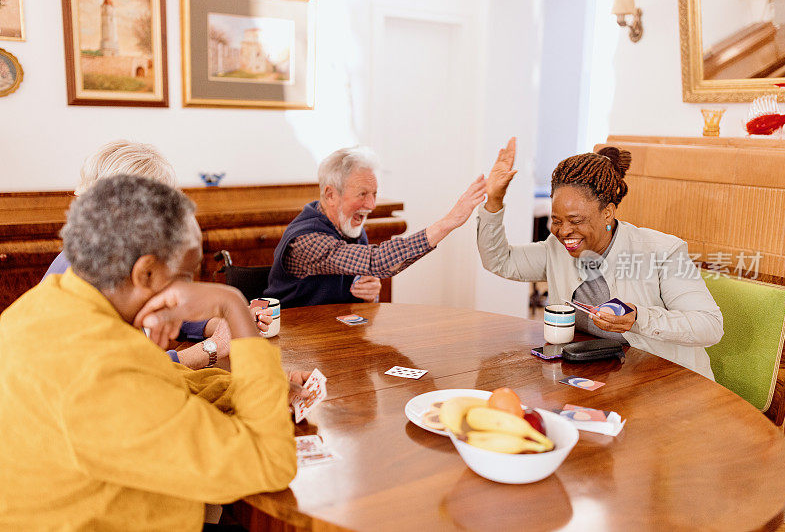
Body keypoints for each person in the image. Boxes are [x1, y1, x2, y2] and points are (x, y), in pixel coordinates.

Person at [0, 175, 301, 529]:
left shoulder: (50, 302)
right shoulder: (101, 370)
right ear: (145, 273)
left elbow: (158, 380)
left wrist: (267, 390)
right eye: (189, 276)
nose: (196, 291)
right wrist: (233, 305)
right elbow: (271, 462)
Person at [477, 138, 723, 379]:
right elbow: (500, 260)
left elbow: (709, 326)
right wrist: (494, 201)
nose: (563, 232)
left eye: (575, 221)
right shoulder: (557, 248)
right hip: (603, 376)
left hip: (668, 381)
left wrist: (638, 318)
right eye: (557, 220)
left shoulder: (662, 251)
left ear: (607, 213)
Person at [41, 140, 229, 370]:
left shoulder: (105, 255)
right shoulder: (83, 275)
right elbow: (126, 370)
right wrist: (212, 348)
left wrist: (215, 324)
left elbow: (155, 304)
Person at [264, 146, 487, 309]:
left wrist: (370, 295)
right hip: (293, 347)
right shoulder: (306, 240)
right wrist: (448, 223)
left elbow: (366, 284)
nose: (371, 205)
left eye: (374, 194)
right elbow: (376, 261)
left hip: (333, 339)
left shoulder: (350, 229)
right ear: (331, 195)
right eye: (362, 194)